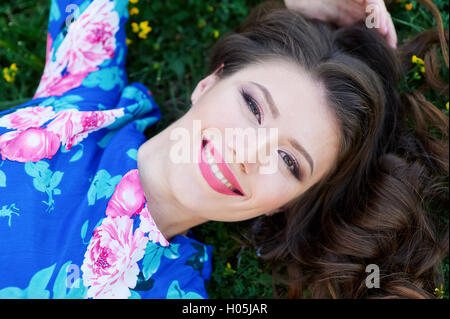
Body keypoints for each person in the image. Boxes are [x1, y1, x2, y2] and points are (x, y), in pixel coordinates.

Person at [0, 0, 448, 299]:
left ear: (286, 205)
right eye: (253, 106)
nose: (248, 152)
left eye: (290, 162)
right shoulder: (88, 98)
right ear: (208, 83)